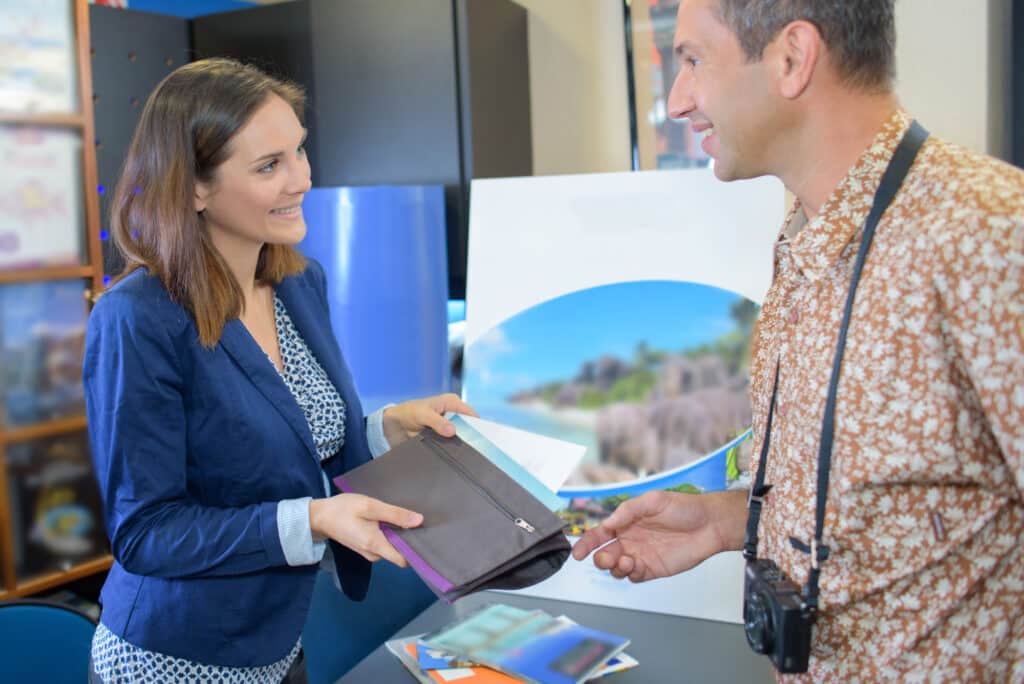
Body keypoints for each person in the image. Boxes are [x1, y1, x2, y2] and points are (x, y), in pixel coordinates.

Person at [573, 0, 1023, 680]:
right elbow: (879, 498)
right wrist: (727, 520)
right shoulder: (804, 237)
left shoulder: (988, 234)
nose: (678, 100)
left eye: (694, 60)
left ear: (791, 58)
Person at [83, 58, 476, 683]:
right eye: (269, 166)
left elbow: (292, 442)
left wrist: (386, 430)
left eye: (299, 151)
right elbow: (146, 533)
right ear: (194, 189)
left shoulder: (298, 282)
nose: (302, 180)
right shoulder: (137, 319)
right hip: (174, 657)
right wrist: (314, 518)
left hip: (280, 643)